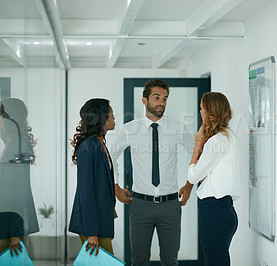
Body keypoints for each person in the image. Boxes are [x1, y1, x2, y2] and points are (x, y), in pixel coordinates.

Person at [111, 79, 194, 266]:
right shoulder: (130, 129)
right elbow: (110, 156)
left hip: (171, 205)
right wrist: (116, 187)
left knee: (170, 261)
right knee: (139, 261)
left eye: (165, 98)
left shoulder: (178, 128)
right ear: (144, 100)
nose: (161, 103)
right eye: (156, 98)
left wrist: (189, 185)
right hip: (140, 205)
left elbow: (196, 155)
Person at [186, 92, 240, 266]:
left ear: (208, 112)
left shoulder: (215, 142)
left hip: (214, 212)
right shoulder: (230, 137)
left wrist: (197, 145)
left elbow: (193, 176)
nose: (200, 111)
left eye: (201, 108)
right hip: (225, 210)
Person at [69, 98, 116, 256]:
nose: (114, 118)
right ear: (100, 118)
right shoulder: (89, 146)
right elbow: (86, 191)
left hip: (101, 219)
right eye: (111, 115)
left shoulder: (100, 143)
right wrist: (91, 232)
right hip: (92, 224)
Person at [0, 98, 39, 257]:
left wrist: (15, 232)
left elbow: (19, 190)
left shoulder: (17, 145)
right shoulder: (10, 141)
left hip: (10, 227)